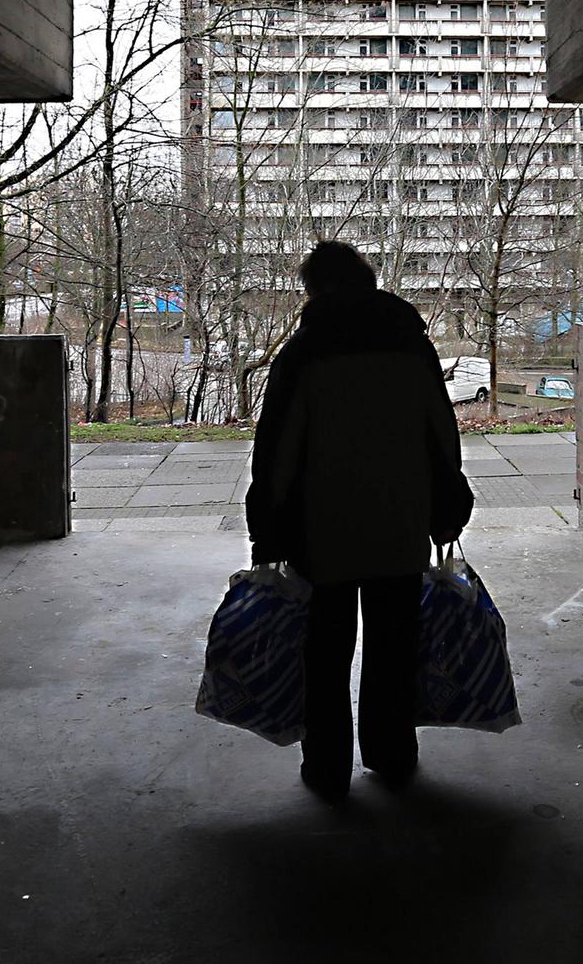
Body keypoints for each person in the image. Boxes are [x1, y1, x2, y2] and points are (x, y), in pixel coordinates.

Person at [247, 240, 472, 800]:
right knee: (394, 648)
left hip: (321, 536)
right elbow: (442, 439)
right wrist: (446, 509)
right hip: (399, 526)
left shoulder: (302, 356)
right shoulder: (411, 348)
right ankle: (392, 755)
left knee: (323, 655)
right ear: (368, 284)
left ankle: (326, 769)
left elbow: (277, 453)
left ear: (315, 290)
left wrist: (267, 527)